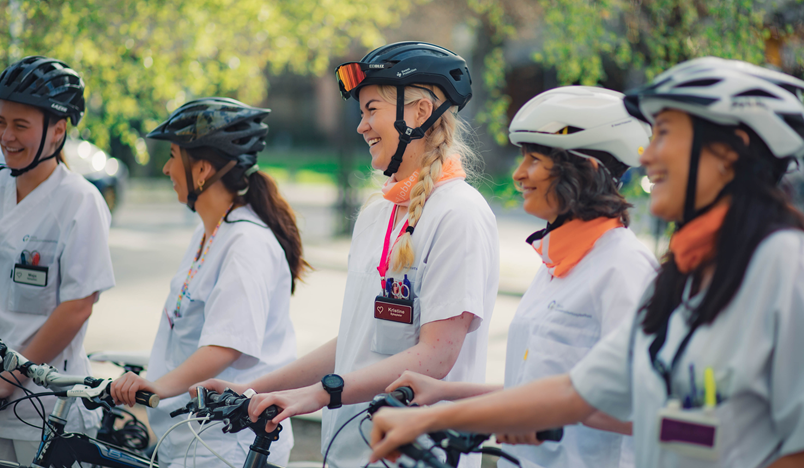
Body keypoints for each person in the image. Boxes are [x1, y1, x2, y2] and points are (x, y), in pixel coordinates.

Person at [368, 57, 804, 468]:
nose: (648, 158)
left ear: (730, 152)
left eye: (666, 134)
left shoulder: (784, 262)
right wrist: (433, 415)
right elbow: (579, 392)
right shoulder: (686, 277)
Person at [196, 41, 499, 468]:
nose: (362, 126)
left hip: (415, 458)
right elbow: (357, 340)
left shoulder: (459, 214)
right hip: (346, 452)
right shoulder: (378, 212)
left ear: (418, 112)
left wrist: (317, 395)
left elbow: (435, 357)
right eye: (362, 113)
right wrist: (251, 390)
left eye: (371, 109)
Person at [385, 86, 658, 468]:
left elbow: (644, 407)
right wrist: (444, 391)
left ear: (585, 171)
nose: (518, 174)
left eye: (534, 160)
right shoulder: (556, 265)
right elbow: (537, 387)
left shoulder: (624, 269)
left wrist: (543, 415)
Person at [109, 97, 308, 467]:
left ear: (201, 169)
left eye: (172, 155)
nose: (167, 168)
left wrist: (158, 386)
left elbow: (225, 346)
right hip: (190, 437)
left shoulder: (246, 243)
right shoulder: (213, 232)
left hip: (228, 445)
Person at [0, 56, 114, 463]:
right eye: (1, 122)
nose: (7, 136)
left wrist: (9, 379)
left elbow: (77, 306)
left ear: (58, 130)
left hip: (44, 409)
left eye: (20, 125)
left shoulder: (80, 202)